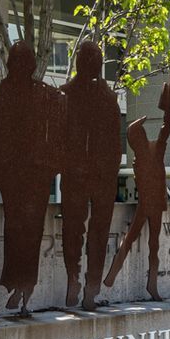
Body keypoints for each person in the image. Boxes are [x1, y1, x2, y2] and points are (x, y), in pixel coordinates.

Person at [0, 39, 64, 314]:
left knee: (30, 229)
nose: (20, 67)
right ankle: (17, 283)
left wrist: (52, 162)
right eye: (17, 62)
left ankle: (25, 287)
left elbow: (59, 125)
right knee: (17, 227)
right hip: (12, 174)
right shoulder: (1, 95)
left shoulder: (44, 94)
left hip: (36, 173)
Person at [58, 41, 123, 311]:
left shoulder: (68, 95)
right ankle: (86, 285)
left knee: (77, 231)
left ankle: (80, 281)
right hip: (92, 175)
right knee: (92, 233)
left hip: (88, 175)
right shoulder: (104, 98)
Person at [105, 72, 170, 301]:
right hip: (150, 203)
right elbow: (165, 130)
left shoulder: (145, 154)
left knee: (143, 242)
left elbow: (166, 129)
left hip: (151, 203)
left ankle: (138, 282)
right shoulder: (148, 154)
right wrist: (166, 111)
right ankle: (142, 283)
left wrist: (167, 108)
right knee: (147, 243)